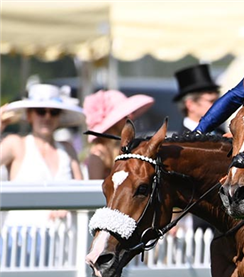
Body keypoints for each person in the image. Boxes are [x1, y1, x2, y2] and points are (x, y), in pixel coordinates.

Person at [0, 83, 86, 228]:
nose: (47, 117)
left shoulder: (67, 149)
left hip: (61, 242)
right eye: (41, 111)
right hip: (19, 241)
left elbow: (83, 194)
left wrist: (68, 205)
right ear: (29, 115)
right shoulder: (16, 144)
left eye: (53, 112)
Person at [82, 89, 154, 180]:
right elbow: (94, 190)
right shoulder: (98, 154)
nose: (131, 118)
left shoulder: (121, 149)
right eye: (125, 116)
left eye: (131, 114)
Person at [173, 64, 221, 134]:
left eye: (217, 101)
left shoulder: (221, 133)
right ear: (190, 105)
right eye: (211, 101)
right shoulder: (181, 142)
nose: (218, 106)